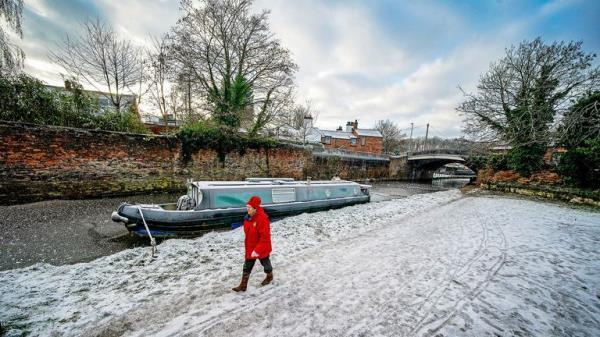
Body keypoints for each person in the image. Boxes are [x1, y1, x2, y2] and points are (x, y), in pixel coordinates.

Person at [232, 196, 273, 292]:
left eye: (249, 208)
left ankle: (269, 276)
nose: (247, 210)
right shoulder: (248, 218)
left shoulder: (262, 219)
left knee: (265, 264)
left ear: (255, 208)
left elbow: (265, 237)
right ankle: (243, 285)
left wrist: (257, 250)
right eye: (247, 207)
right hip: (250, 246)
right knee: (247, 266)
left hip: (262, 247)